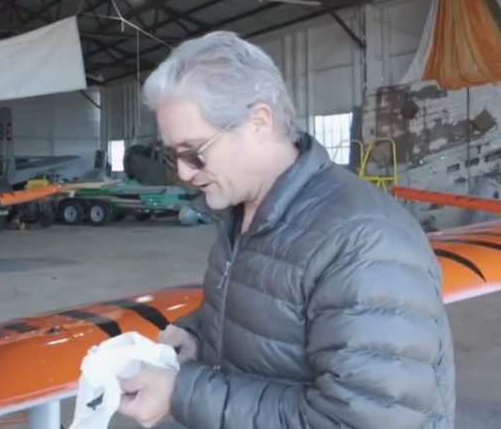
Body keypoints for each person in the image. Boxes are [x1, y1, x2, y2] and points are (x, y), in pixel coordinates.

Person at [115, 31, 455, 429]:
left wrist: (182, 392)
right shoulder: (246, 212)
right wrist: (198, 335)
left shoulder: (363, 242)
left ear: (258, 122)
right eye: (175, 155)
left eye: (195, 152)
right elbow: (267, 312)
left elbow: (359, 421)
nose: (185, 172)